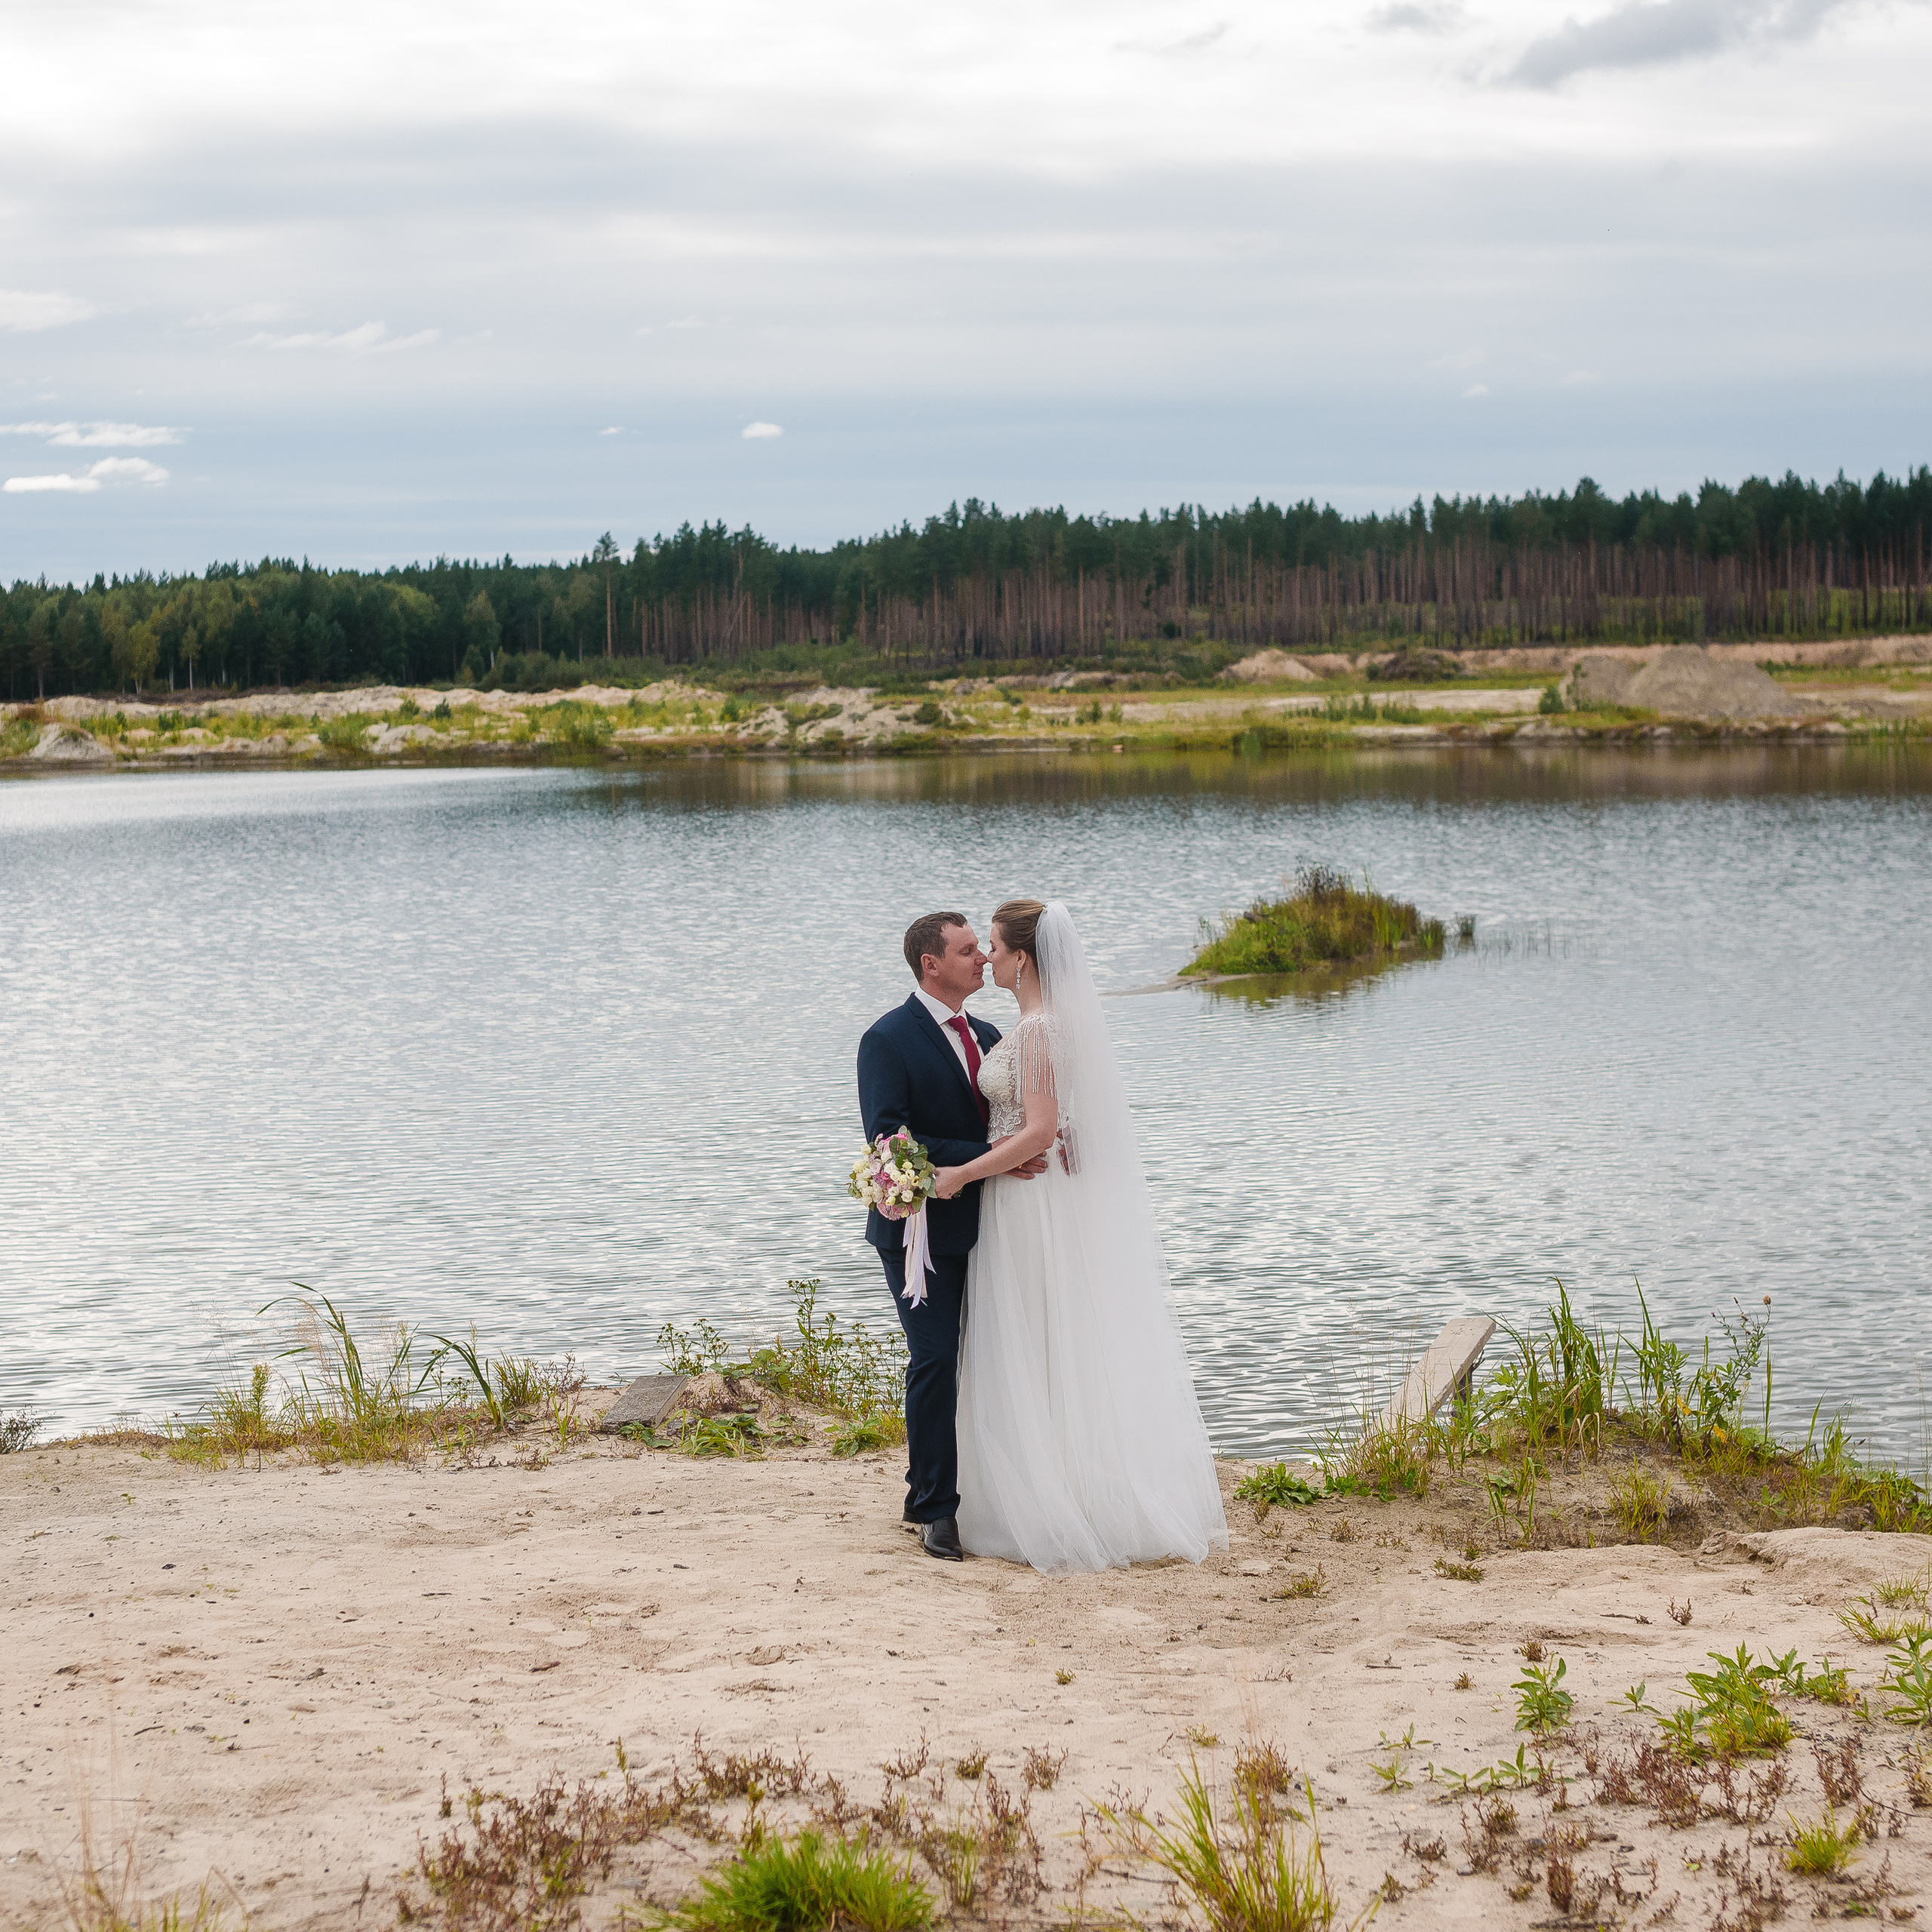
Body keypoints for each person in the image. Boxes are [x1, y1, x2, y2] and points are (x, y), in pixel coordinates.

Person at [932, 899, 1229, 1574]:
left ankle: (1048, 1502)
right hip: (1038, 1196)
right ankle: (1059, 1488)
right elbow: (1069, 1124)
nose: (988, 959)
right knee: (1052, 1339)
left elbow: (1036, 1131)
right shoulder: (1051, 1028)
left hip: (1027, 1203)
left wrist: (958, 1175)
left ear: (1024, 958)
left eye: (997, 949)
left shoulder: (1038, 1032)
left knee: (1034, 1339)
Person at [856, 912, 1048, 1561]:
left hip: (995, 1225)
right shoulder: (887, 1039)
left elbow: (1026, 1119)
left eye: (983, 949)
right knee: (936, 1360)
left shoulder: (993, 1032)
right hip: (921, 1232)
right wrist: (990, 1151)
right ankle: (935, 1507)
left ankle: (982, 1490)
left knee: (995, 1362)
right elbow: (889, 1139)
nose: (983, 960)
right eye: (969, 952)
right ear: (930, 964)